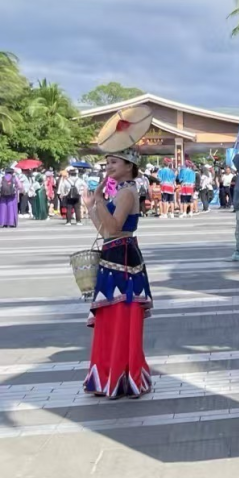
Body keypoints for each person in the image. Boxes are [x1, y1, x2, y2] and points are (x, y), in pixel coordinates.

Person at [84, 147, 152, 399]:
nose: (109, 167)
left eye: (114, 162)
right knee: (112, 318)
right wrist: (93, 204)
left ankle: (119, 375)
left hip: (122, 259)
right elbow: (104, 231)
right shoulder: (121, 191)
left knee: (120, 318)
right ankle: (112, 375)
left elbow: (113, 228)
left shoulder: (126, 192)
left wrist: (100, 201)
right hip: (115, 255)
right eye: (107, 163)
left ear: (129, 165)